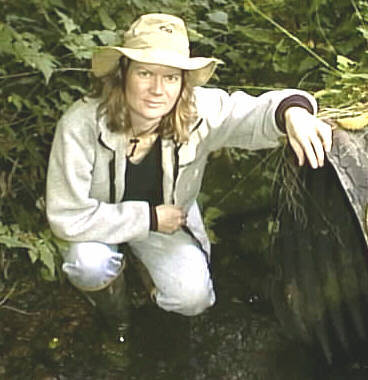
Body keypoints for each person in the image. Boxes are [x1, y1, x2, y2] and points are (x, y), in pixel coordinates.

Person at [46, 13, 332, 345]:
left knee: (193, 299)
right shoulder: (80, 126)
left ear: (183, 82)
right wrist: (149, 218)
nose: (157, 89)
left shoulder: (198, 112)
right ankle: (117, 318)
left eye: (170, 77)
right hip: (104, 224)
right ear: (123, 74)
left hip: (170, 220)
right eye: (145, 73)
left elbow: (254, 113)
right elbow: (67, 216)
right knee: (88, 265)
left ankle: (145, 275)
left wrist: (292, 113)